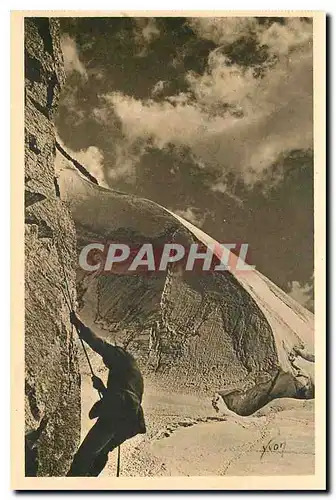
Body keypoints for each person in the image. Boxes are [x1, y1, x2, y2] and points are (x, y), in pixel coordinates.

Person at [67, 311, 146, 477]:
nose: (106, 362)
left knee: (85, 455)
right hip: (130, 423)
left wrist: (78, 325)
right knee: (100, 453)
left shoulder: (121, 356)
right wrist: (103, 388)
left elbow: (98, 344)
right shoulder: (133, 372)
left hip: (118, 413)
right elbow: (128, 397)